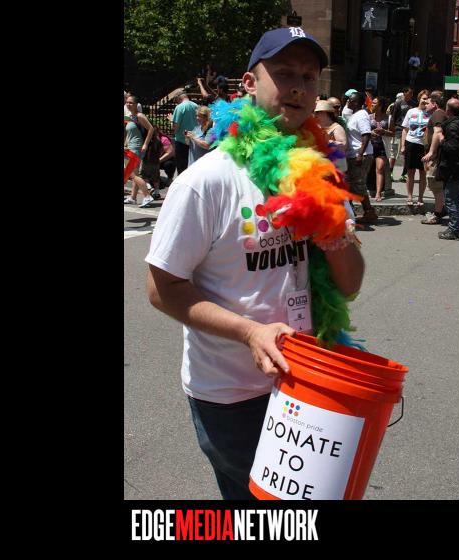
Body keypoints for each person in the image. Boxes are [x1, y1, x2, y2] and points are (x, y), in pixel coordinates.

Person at [145, 27, 365, 500]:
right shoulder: (208, 181)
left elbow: (349, 286)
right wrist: (250, 333)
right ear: (249, 83)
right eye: (283, 73)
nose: (298, 87)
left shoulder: (319, 172)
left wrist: (332, 232)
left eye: (308, 77)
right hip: (231, 395)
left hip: (307, 380)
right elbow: (162, 288)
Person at [424, 98, 459, 240]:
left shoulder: (451, 125)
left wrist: (441, 138)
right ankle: (455, 228)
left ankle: (454, 230)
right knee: (456, 198)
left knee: (451, 199)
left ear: (448, 110)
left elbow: (452, 147)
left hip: (453, 167)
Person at [345, 91, 377, 224]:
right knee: (352, 184)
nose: (348, 102)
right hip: (353, 154)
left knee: (359, 185)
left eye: (350, 100)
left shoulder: (362, 115)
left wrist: (359, 154)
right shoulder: (354, 115)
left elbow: (366, 134)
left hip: (361, 155)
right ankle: (352, 211)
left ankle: (369, 212)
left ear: (356, 102)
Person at [400, 89, 430, 213]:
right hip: (411, 142)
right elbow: (405, 129)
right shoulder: (411, 111)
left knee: (423, 172)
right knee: (410, 171)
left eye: (427, 99)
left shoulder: (431, 113)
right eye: (423, 98)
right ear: (419, 99)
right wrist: (403, 145)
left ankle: (420, 197)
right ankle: (410, 196)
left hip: (424, 146)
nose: (425, 101)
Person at [420, 93, 448, 225]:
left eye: (428, 103)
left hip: (436, 156)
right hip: (437, 155)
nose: (425, 105)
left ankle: (438, 213)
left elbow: (438, 132)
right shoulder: (439, 114)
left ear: (435, 104)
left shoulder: (437, 114)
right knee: (436, 185)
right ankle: (441, 209)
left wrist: (431, 152)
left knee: (436, 185)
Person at [124, 95, 156, 208]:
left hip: (136, 148)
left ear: (136, 104)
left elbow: (151, 129)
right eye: (127, 102)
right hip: (130, 147)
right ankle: (133, 197)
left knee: (131, 174)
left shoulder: (139, 116)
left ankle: (147, 195)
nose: (128, 104)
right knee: (135, 173)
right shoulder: (129, 117)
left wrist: (145, 144)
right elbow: (129, 134)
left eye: (131, 103)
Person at [369, 96, 393, 201]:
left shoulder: (389, 118)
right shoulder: (368, 117)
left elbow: (392, 133)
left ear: (380, 106)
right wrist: (371, 132)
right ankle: (367, 190)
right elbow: (363, 131)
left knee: (379, 168)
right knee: (367, 169)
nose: (372, 104)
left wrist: (383, 131)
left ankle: (378, 193)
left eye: (374, 103)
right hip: (369, 146)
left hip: (382, 146)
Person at [314, 99, 347, 172]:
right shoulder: (317, 127)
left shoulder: (337, 128)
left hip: (335, 168)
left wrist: (327, 142)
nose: (315, 115)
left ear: (325, 113)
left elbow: (343, 145)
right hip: (321, 167)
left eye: (318, 112)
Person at [389, 87, 414, 182]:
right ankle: (390, 172)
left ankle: (404, 174)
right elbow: (393, 118)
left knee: (406, 154)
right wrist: (392, 130)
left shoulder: (413, 104)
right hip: (398, 130)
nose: (411, 95)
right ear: (404, 93)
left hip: (409, 131)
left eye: (412, 93)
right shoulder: (398, 103)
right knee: (394, 153)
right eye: (409, 93)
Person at [171, 93, 199, 175]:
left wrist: (171, 120)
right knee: (192, 167)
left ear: (178, 98)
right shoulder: (196, 106)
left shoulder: (179, 107)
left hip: (181, 141)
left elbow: (175, 127)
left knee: (181, 168)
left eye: (176, 100)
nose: (176, 103)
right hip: (194, 140)